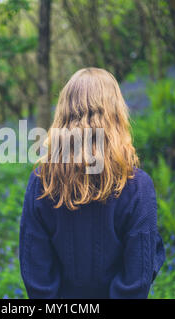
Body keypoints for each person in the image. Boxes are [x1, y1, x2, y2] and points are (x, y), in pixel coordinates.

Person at [19, 67, 165, 298]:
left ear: (64, 117)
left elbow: (37, 276)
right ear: (116, 116)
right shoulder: (138, 186)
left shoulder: (41, 183)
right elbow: (138, 279)